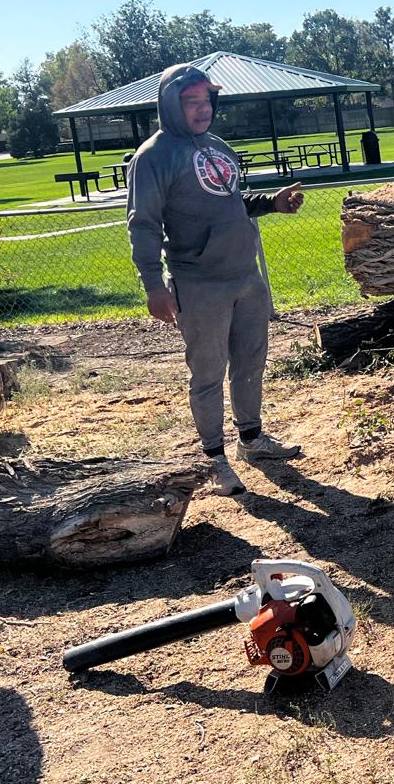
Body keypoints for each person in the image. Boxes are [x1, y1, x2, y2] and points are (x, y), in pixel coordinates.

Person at [126, 64, 306, 496]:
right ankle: (214, 458)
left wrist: (271, 204)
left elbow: (230, 200)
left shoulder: (217, 146)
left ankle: (251, 439)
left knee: (251, 362)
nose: (202, 109)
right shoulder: (152, 157)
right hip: (199, 284)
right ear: (171, 104)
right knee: (208, 373)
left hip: (245, 276)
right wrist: (153, 285)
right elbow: (143, 223)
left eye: (207, 100)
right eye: (191, 102)